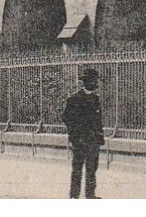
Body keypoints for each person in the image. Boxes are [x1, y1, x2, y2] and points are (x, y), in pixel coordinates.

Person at [62, 67, 104, 199]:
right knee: (77, 168)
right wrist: (74, 136)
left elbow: (98, 121)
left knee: (92, 168)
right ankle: (74, 195)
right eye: (93, 81)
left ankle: (90, 194)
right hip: (79, 140)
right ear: (87, 82)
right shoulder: (74, 99)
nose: (95, 84)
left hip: (93, 140)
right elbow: (67, 118)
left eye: (95, 81)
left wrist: (99, 136)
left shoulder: (95, 99)